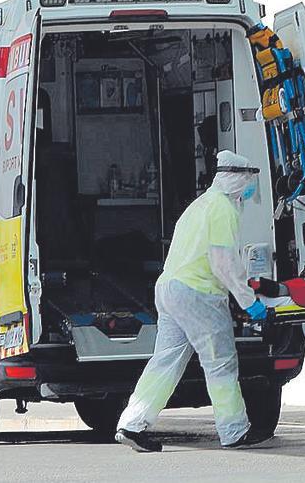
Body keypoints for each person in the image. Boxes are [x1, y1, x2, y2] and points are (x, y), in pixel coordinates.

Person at [115, 150, 272, 453]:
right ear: (238, 178)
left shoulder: (199, 205)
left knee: (165, 362)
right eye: (249, 179)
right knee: (221, 362)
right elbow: (223, 263)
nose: (251, 187)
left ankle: (132, 423)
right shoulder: (223, 208)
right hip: (198, 294)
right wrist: (249, 301)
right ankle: (234, 431)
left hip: (170, 289)